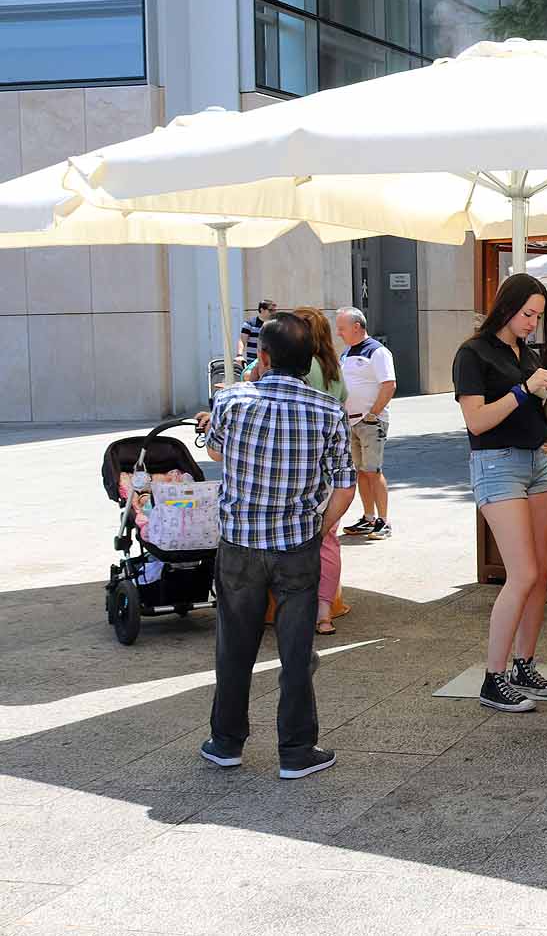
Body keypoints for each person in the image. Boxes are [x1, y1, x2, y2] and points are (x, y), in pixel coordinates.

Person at [200, 313, 355, 779]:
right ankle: (295, 750)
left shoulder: (231, 400)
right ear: (309, 360)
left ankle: (226, 743)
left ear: (262, 357)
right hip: (297, 546)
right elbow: (345, 486)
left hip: (240, 544)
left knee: (234, 646)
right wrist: (319, 528)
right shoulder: (328, 410)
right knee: (296, 650)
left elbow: (214, 451)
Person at [452, 273, 547, 713]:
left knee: (538, 571)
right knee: (520, 574)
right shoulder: (473, 353)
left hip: (536, 460)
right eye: (528, 314)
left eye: (538, 317)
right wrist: (524, 389)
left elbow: (546, 421)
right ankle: (492, 677)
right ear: (507, 307)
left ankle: (524, 663)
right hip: (496, 463)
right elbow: (476, 421)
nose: (532, 324)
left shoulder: (528, 352)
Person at [240, 307, 351, 635]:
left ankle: (273, 611)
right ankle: (324, 612)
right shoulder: (332, 367)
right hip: (325, 472)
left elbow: (252, 377)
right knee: (328, 543)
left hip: (289, 471)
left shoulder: (294, 373)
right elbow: (342, 407)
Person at [335, 307, 397, 541]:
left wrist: (373, 413)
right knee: (361, 472)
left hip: (370, 422)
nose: (339, 333)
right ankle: (368, 517)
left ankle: (383, 520)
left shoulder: (378, 352)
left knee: (373, 471)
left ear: (356, 327)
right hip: (351, 422)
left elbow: (389, 384)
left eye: (342, 328)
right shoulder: (346, 353)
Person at [238, 299, 275, 365]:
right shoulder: (250, 323)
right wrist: (239, 355)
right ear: (262, 310)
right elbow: (242, 340)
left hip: (270, 361)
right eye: (271, 310)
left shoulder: (274, 324)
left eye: (274, 310)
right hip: (253, 361)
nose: (273, 313)